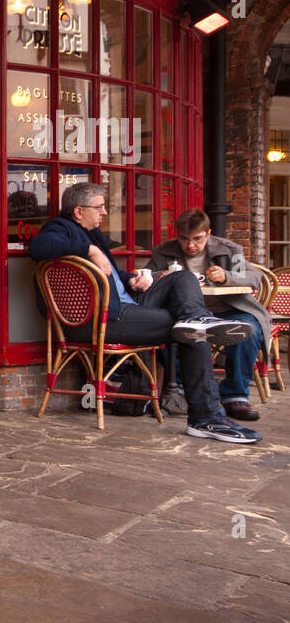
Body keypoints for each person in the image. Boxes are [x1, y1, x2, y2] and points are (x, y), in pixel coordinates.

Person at [28, 182, 261, 444]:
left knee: (183, 279)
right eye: (99, 207)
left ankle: (197, 318)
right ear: (79, 211)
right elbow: (38, 247)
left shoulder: (93, 233)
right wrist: (90, 251)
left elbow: (109, 278)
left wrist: (130, 280)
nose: (105, 212)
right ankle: (206, 418)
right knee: (191, 332)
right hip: (100, 319)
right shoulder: (60, 228)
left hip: (124, 305)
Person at [146, 209, 270, 423]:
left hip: (228, 309)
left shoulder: (229, 250)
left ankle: (235, 396)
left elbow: (252, 277)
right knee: (167, 329)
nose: (190, 245)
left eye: (197, 239)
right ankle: (181, 389)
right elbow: (148, 275)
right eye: (184, 239)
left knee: (248, 331)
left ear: (208, 233)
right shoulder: (164, 251)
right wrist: (161, 277)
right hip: (186, 311)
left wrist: (226, 276)